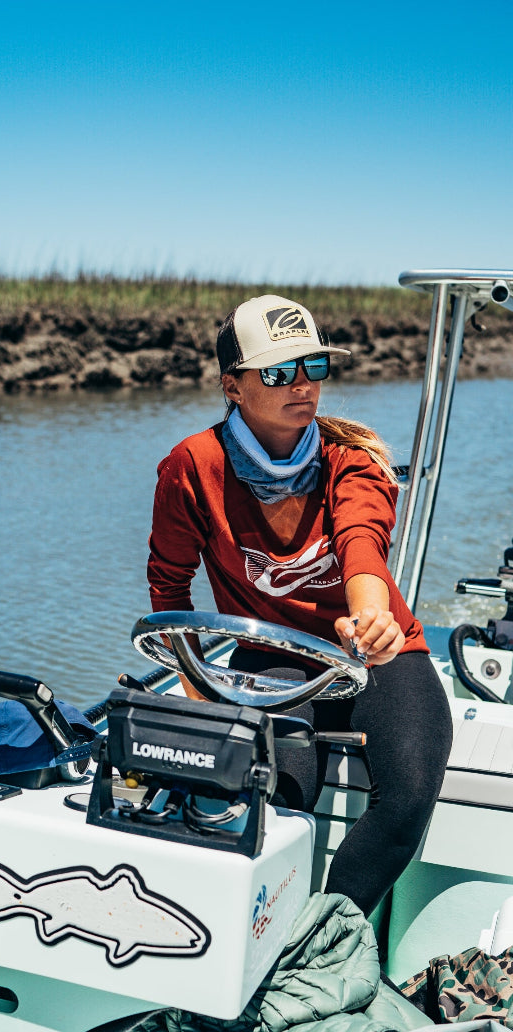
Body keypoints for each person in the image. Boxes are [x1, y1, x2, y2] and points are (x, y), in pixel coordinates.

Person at [147, 293, 453, 919]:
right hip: (272, 653)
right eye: (280, 373)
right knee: (285, 793)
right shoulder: (191, 467)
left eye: (314, 368)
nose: (304, 387)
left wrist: (373, 619)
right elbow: (169, 588)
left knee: (410, 793)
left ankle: (322, 941)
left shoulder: (352, 458)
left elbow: (361, 544)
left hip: (375, 648)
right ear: (233, 385)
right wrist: (198, 684)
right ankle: (257, 929)